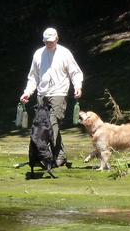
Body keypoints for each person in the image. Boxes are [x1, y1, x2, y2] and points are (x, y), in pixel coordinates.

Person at [19, 27, 83, 167]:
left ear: (57, 39)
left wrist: (77, 86)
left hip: (59, 93)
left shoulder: (65, 53)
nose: (49, 44)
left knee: (53, 125)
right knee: (43, 126)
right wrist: (27, 92)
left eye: (52, 41)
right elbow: (33, 77)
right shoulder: (38, 54)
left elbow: (75, 73)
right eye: (47, 42)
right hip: (42, 94)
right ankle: (54, 155)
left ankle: (56, 156)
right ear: (43, 41)